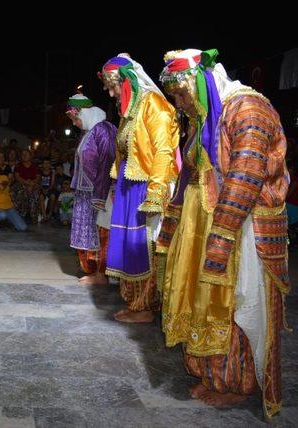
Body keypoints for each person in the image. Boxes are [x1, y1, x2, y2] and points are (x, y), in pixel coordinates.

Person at [157, 49, 290, 417]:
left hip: (244, 227)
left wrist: (222, 234)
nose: (181, 103)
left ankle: (237, 384)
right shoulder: (204, 117)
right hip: (205, 225)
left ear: (200, 83)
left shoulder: (247, 108)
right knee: (203, 299)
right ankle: (213, 375)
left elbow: (246, 174)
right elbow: (190, 177)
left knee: (232, 302)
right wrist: (174, 225)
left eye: (183, 94)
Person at [98, 53, 179, 322]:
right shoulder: (130, 109)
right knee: (126, 244)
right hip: (127, 185)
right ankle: (135, 303)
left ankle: (145, 307)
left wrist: (156, 194)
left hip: (144, 186)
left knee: (142, 246)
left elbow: (163, 152)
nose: (110, 94)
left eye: (112, 87)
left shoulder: (153, 105)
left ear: (126, 81)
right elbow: (124, 150)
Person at [65, 92, 117, 285]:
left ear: (84, 113)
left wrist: (100, 195)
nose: (74, 123)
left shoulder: (104, 130)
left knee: (99, 232)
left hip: (97, 192)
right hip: (85, 192)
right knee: (88, 231)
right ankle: (93, 270)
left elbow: (107, 162)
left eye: (75, 118)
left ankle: (101, 274)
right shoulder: (89, 132)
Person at [13, 149, 42, 223]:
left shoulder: (35, 166)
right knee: (21, 191)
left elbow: (38, 177)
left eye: (26, 154)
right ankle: (21, 214)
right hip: (21, 183)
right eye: (22, 154)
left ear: (30, 156)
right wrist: (26, 183)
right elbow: (17, 177)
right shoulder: (18, 165)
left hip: (33, 184)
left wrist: (32, 183)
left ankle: (33, 215)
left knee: (35, 192)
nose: (24, 155)